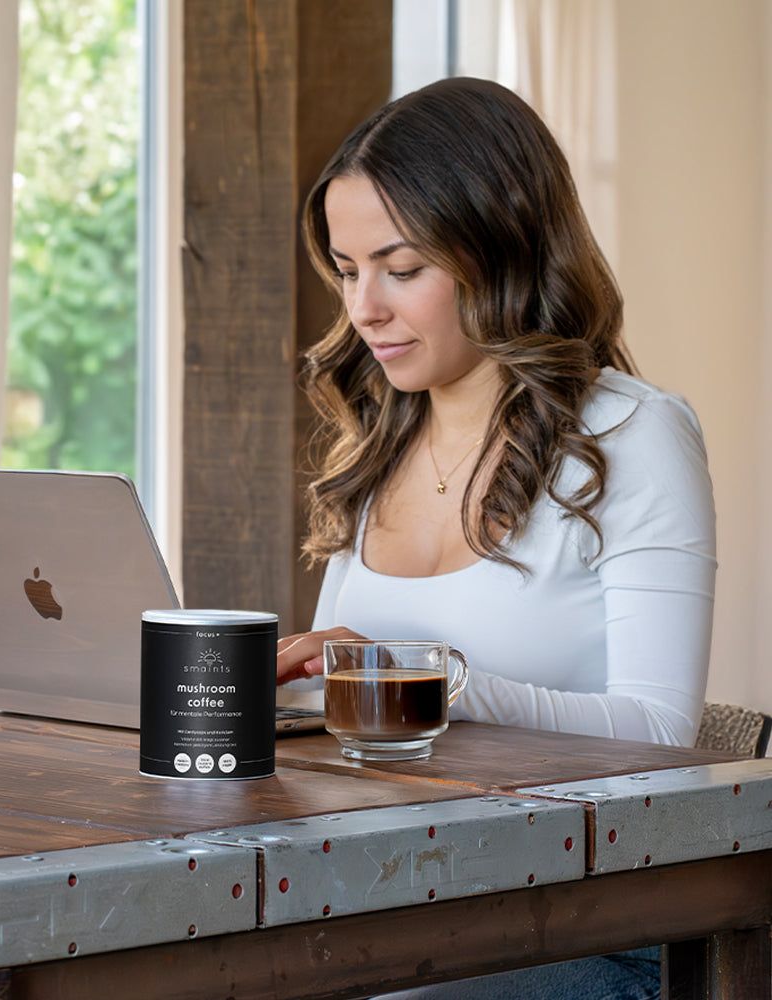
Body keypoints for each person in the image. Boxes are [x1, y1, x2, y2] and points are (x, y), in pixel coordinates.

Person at [274, 77, 716, 1000]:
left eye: (401, 270)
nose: (365, 310)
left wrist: (430, 679)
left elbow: (662, 733)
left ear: (501, 250)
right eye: (347, 270)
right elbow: (342, 716)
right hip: (392, 897)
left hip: (576, 924)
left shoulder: (632, 436)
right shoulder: (377, 443)